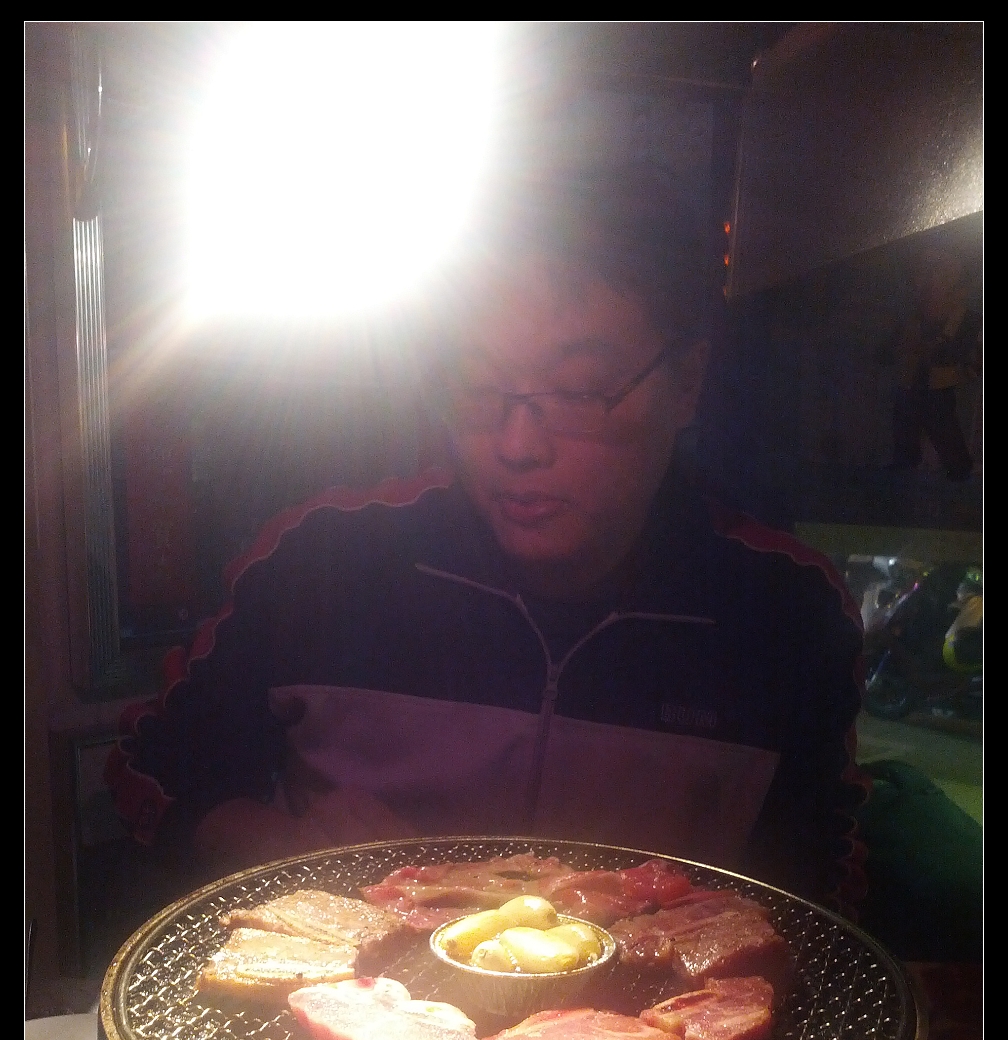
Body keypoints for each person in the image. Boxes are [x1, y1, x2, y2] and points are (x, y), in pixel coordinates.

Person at [107, 168, 867, 914]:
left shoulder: (781, 614)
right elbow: (154, 770)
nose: (516, 446)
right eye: (477, 387)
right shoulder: (322, 562)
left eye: (579, 390)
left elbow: (818, 890)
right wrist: (281, 843)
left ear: (687, 382)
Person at [887, 244, 982, 482]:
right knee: (905, 417)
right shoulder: (911, 314)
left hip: (947, 383)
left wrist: (936, 351)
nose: (931, 278)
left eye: (939, 268)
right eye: (925, 269)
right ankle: (907, 463)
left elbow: (961, 350)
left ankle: (958, 468)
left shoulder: (966, 317)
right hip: (912, 380)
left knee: (942, 421)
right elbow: (888, 349)